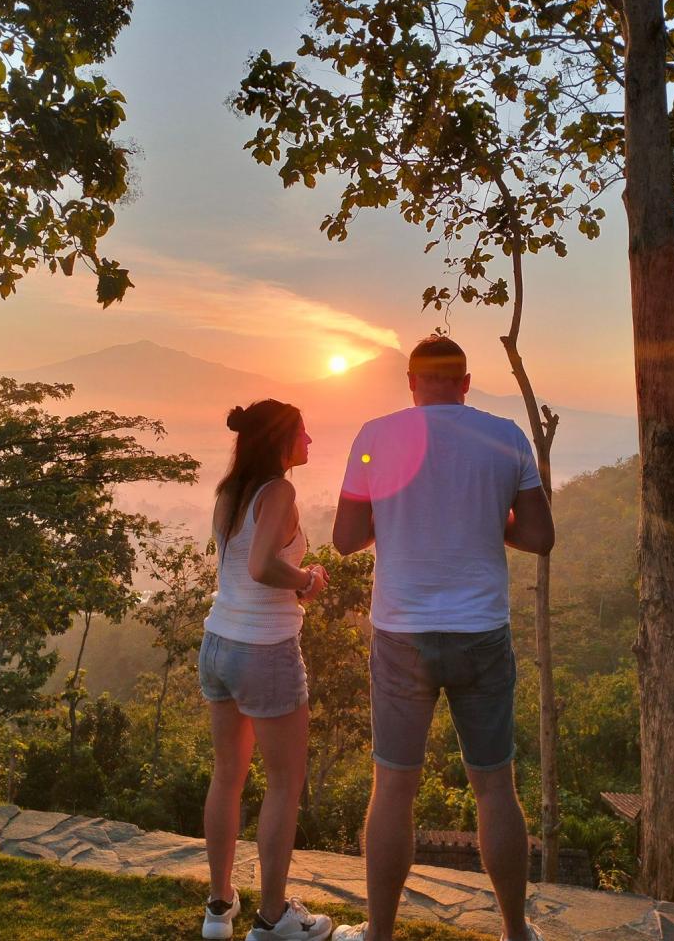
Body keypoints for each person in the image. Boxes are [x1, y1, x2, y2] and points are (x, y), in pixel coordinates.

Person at [330, 336, 554, 941]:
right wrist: (485, 518)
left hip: (401, 634)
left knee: (394, 786)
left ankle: (378, 934)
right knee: (495, 786)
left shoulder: (375, 437)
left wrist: (402, 516)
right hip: (480, 630)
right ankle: (514, 932)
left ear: (410, 382)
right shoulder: (504, 437)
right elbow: (538, 534)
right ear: (466, 381)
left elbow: (346, 538)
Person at [199, 399, 333, 941]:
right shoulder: (279, 491)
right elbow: (260, 566)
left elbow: (234, 566)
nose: (310, 440)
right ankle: (273, 918)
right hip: (264, 650)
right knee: (284, 782)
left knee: (227, 776)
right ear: (282, 439)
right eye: (303, 431)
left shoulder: (229, 491)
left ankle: (218, 908)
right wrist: (307, 580)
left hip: (219, 644)